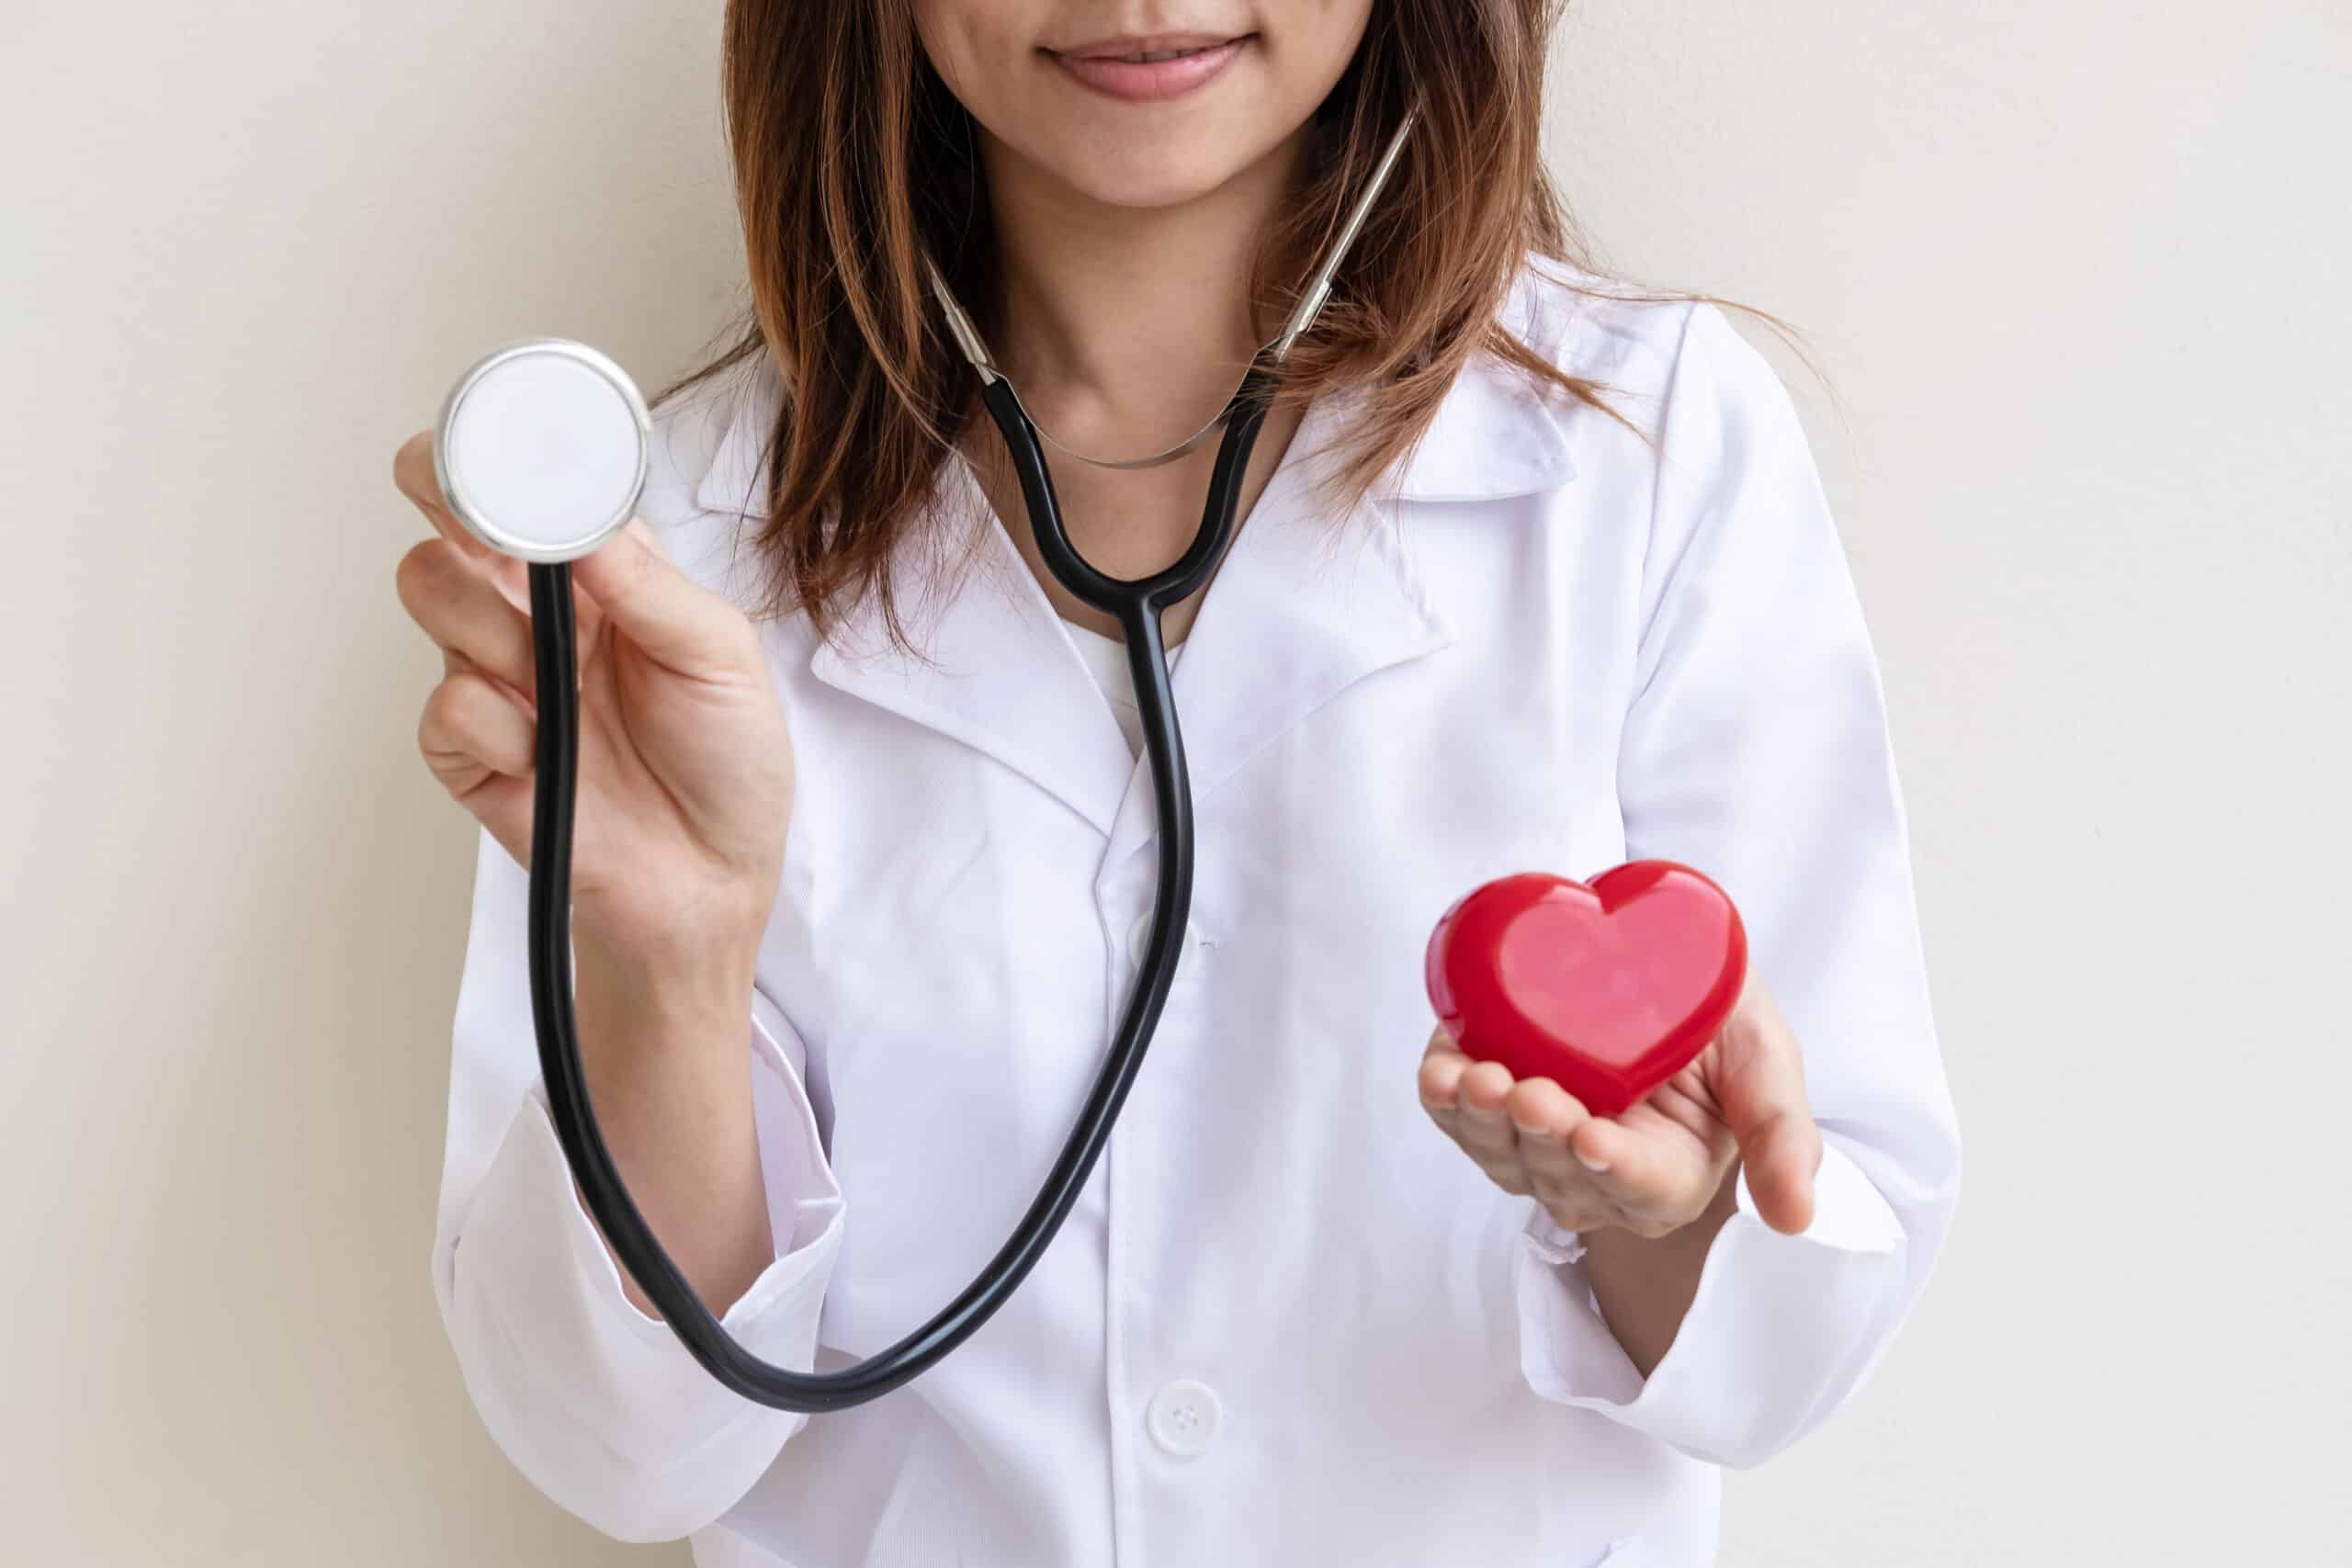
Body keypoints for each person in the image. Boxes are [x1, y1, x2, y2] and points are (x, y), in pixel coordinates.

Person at [391, 3, 1962, 1563]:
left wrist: (1662, 1218)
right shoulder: (668, 559)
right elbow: (620, 1449)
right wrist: (669, 966)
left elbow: (1792, 1344)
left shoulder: (1651, 451)